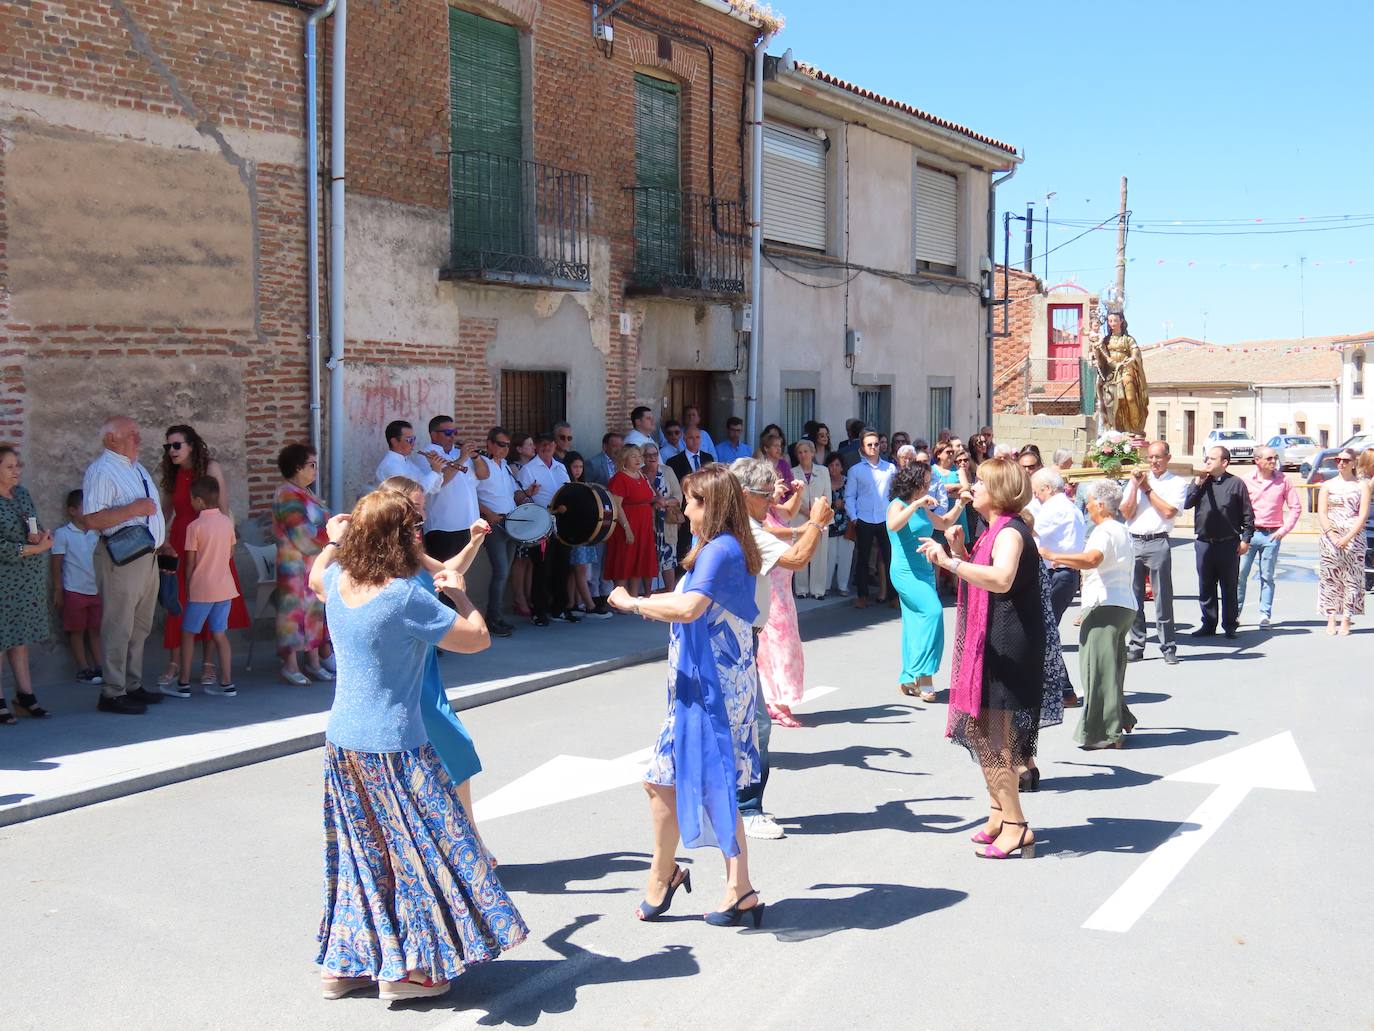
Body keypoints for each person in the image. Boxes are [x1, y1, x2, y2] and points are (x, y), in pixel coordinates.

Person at [309, 488, 526, 1001]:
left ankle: (345, 963)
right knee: (416, 857)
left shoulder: (340, 579)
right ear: (398, 538)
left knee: (366, 856)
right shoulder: (404, 596)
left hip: (343, 744)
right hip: (396, 747)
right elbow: (476, 639)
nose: (418, 536)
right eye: (412, 530)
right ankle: (408, 972)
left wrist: (331, 543)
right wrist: (461, 592)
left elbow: (317, 577)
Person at [607, 464, 765, 925]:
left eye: (693, 501)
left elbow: (691, 607)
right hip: (710, 684)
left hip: (712, 689)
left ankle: (679, 877)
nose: (685, 507)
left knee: (676, 781)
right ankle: (724, 884)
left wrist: (633, 602)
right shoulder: (721, 548)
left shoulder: (720, 550)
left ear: (710, 506)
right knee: (687, 781)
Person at [917, 458, 1043, 860]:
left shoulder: (1010, 532)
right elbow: (982, 572)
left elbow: (1001, 578)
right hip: (991, 639)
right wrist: (958, 550)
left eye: (980, 485)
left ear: (1000, 492)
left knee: (993, 738)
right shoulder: (994, 529)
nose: (971, 490)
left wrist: (950, 562)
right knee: (982, 731)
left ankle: (1016, 826)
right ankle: (997, 814)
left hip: (1008, 644)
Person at [730, 458, 831, 837]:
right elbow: (797, 557)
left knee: (743, 724)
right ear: (745, 495)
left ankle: (731, 804)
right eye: (764, 492)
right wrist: (818, 522)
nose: (772, 495)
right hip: (732, 639)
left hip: (740, 635)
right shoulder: (746, 530)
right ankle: (747, 808)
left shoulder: (750, 524)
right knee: (754, 725)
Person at [1039, 479, 1137, 749]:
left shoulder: (1104, 530)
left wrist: (1051, 554)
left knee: (1096, 670)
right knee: (1111, 669)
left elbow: (1093, 559)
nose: (1087, 507)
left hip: (1105, 606)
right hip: (1121, 605)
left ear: (1101, 505)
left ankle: (1106, 731)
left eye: (1090, 502)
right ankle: (1117, 719)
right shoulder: (1121, 529)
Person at [82, 417, 167, 715]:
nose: (138, 439)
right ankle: (112, 691)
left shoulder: (136, 468)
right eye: (132, 434)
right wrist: (133, 509)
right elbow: (91, 519)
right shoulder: (101, 471)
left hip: (147, 556)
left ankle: (132, 684)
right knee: (119, 625)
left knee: (139, 627)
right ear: (111, 439)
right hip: (122, 559)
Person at [157, 424, 251, 690]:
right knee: (177, 601)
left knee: (210, 601)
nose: (171, 451)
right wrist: (159, 539)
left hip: (209, 542)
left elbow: (223, 509)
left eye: (176, 445)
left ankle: (209, 663)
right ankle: (175, 662)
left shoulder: (210, 468)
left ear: (191, 446)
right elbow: (164, 511)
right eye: (168, 446)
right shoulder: (172, 473)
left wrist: (226, 547)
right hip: (179, 541)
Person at [887, 463, 965, 703]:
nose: (930, 485)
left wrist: (961, 503)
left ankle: (908, 676)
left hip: (925, 570)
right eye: (927, 481)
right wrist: (915, 505)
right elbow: (893, 525)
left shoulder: (923, 507)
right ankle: (924, 676)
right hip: (905, 572)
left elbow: (944, 523)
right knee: (933, 613)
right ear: (914, 482)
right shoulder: (898, 505)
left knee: (914, 622)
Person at [169, 477, 239, 698]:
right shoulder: (227, 523)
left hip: (201, 588)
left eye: (191, 499)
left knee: (188, 633)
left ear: (198, 501)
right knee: (219, 634)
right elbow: (231, 553)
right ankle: (227, 682)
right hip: (225, 587)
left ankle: (183, 682)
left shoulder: (194, 526)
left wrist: (189, 587)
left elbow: (190, 562)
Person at [1121, 441, 1189, 664]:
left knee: (1162, 598)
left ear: (1167, 458)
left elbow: (1169, 511)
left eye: (1158, 457)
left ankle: (1168, 647)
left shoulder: (1177, 483)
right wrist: (1134, 486)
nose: (1153, 462)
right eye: (1150, 457)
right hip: (1134, 541)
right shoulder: (1137, 480)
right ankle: (1137, 644)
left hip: (1158, 541)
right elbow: (1126, 512)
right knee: (1134, 597)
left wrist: (1147, 490)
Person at [271, 443, 334, 685]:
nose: (315, 469)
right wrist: (333, 537)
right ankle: (290, 664)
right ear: (298, 467)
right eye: (312, 465)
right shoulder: (287, 494)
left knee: (314, 612)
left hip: (313, 564)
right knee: (293, 614)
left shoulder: (306, 492)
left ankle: (314, 661)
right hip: (294, 567)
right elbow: (301, 533)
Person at [0, 445, 54, 722]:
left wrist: (37, 537)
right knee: (0, 638)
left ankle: (25, 695)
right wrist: (32, 550)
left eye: (18, 465)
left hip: (25, 579)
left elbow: (32, 523)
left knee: (19, 638)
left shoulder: (21, 494)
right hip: (3, 580)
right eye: (9, 467)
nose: (16, 471)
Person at [1184, 446, 1254, 638]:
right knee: (1206, 586)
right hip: (1204, 542)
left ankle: (1230, 625)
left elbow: (1247, 514)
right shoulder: (1201, 482)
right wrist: (1197, 483)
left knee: (1229, 586)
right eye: (1206, 458)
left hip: (1228, 543)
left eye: (1212, 459)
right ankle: (1208, 624)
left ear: (1224, 463)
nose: (1207, 462)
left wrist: (1246, 539)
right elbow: (1187, 503)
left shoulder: (1236, 484)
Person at [1239, 446, 1303, 629]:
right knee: (1240, 575)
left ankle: (1264, 614)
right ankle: (1235, 614)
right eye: (1269, 459)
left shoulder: (1284, 481)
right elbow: (1236, 507)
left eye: (1275, 458)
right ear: (1257, 460)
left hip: (1272, 535)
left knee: (1267, 576)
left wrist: (1283, 531)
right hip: (1249, 535)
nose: (1273, 461)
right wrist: (1240, 532)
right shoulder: (1245, 480)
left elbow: (1296, 507)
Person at [517, 432, 576, 625]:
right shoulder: (528, 469)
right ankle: (539, 611)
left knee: (562, 566)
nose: (547, 447)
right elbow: (523, 498)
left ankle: (560, 608)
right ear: (535, 446)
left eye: (549, 444)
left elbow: (568, 491)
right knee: (542, 567)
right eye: (542, 445)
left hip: (562, 523)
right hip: (541, 523)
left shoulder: (560, 467)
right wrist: (530, 495)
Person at [51, 488, 104, 686]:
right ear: (72, 511)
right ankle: (83, 668)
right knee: (76, 631)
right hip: (74, 590)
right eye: (85, 508)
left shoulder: (96, 532)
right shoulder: (63, 534)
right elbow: (56, 562)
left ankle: (99, 665)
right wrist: (58, 589)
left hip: (95, 590)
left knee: (95, 629)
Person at [472, 426, 522, 637]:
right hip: (494, 524)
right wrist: (488, 513)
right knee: (501, 572)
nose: (505, 449)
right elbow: (472, 494)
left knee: (504, 572)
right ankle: (493, 618)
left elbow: (510, 495)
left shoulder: (507, 468)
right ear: (490, 444)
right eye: (501, 444)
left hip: (511, 523)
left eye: (507, 445)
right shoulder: (483, 466)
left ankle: (497, 616)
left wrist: (527, 495)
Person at [1316, 448, 1371, 636]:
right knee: (1331, 578)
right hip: (1331, 536)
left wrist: (1348, 537)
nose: (1341, 463)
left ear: (1354, 463)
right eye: (1338, 460)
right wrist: (1331, 534)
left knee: (1352, 579)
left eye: (1346, 460)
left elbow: (1363, 515)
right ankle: (1331, 618)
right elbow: (1322, 512)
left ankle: (1347, 618)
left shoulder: (1361, 485)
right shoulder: (1327, 485)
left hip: (1354, 536)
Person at [418, 415, 482, 567]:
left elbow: (483, 475)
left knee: (461, 577)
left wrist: (477, 457)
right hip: (443, 528)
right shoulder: (427, 454)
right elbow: (438, 483)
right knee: (443, 576)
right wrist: (461, 459)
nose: (452, 436)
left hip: (467, 525)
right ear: (434, 434)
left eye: (455, 432)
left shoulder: (457, 452)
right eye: (448, 433)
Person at [1028, 468, 1085, 635]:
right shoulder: (1070, 507)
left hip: (1058, 573)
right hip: (1065, 573)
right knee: (1046, 626)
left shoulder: (1054, 508)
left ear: (1047, 488)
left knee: (1043, 628)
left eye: (1036, 491)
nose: (1036, 496)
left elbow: (1030, 532)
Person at [845, 429, 896, 608]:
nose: (874, 447)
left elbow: (894, 494)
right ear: (862, 447)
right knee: (863, 560)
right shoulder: (855, 470)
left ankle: (893, 596)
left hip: (885, 519)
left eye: (876, 444)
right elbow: (850, 496)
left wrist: (894, 514)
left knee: (890, 558)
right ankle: (862, 595)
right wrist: (854, 517)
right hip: (864, 518)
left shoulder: (890, 468)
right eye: (870, 445)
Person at [604, 444, 658, 598]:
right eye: (633, 456)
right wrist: (627, 528)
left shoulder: (641, 475)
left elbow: (649, 498)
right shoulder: (619, 478)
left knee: (638, 561)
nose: (638, 459)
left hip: (644, 525)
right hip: (627, 523)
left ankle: (633, 597)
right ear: (624, 459)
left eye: (639, 456)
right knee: (624, 560)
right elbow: (617, 506)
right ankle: (620, 598)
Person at [1093, 312, 1150, 435]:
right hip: (1111, 373)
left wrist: (1133, 359)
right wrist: (1096, 352)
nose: (1112, 323)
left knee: (1130, 398)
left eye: (1114, 320)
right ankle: (1115, 429)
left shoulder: (1128, 339)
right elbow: (1101, 357)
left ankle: (1135, 428)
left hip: (1126, 370)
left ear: (1121, 321)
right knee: (1111, 403)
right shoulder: (1105, 340)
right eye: (1110, 321)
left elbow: (1135, 352)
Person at [789, 440, 832, 599]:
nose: (803, 455)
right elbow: (792, 497)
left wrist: (817, 513)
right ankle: (801, 589)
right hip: (799, 517)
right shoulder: (792, 472)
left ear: (812, 453)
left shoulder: (823, 471)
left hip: (820, 517)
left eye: (806, 451)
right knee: (800, 550)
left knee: (819, 553)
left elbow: (827, 495)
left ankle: (818, 589)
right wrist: (807, 511)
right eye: (799, 452)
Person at [564, 455, 602, 615]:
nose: (578, 470)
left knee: (578, 571)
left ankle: (574, 603)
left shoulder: (585, 485)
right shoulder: (566, 486)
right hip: (574, 533)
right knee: (579, 569)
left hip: (585, 532)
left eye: (580, 467)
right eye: (574, 467)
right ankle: (590, 605)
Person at [642, 444, 682, 592]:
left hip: (666, 522)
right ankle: (647, 594)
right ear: (642, 457)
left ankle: (670, 592)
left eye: (654, 454)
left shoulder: (667, 471)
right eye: (648, 455)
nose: (652, 458)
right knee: (648, 559)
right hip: (648, 522)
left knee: (668, 559)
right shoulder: (640, 474)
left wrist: (664, 502)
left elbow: (678, 496)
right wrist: (652, 501)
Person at [375, 419, 449, 494]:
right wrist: (435, 471)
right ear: (394, 442)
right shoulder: (390, 466)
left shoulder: (409, 463)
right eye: (409, 440)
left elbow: (434, 489)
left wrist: (436, 469)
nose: (413, 444)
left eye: (414, 439)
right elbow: (414, 494)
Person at [824, 452, 852, 596]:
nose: (834, 468)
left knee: (845, 555)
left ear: (842, 467)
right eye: (831, 465)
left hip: (846, 523)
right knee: (829, 556)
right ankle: (826, 585)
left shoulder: (848, 481)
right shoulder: (824, 481)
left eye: (837, 465)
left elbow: (855, 499)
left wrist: (844, 504)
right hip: (829, 523)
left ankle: (842, 586)